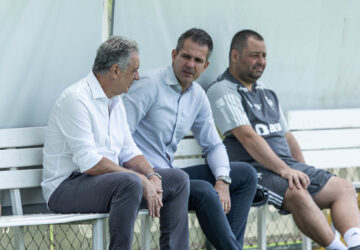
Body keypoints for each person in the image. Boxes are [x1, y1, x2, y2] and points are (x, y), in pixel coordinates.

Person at [206, 29, 360, 250]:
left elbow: (287, 136)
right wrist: (284, 170)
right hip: (253, 171)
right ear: (234, 56)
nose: (261, 61)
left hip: (285, 169)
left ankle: (355, 245)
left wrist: (303, 170)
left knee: (343, 187)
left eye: (264, 55)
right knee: (298, 192)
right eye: (254, 55)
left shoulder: (266, 91)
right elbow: (248, 138)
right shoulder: (222, 90)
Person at [41, 36, 190, 250]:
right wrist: (139, 178)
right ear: (115, 71)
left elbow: (129, 150)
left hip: (109, 185)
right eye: (134, 70)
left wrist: (152, 175)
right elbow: (89, 163)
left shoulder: (116, 100)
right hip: (66, 187)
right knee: (129, 182)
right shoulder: (75, 99)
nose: (138, 77)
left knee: (178, 179)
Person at [122, 28, 258, 250]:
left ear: (205, 66)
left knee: (245, 174)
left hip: (172, 176)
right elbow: (121, 135)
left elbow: (213, 144)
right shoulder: (149, 84)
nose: (190, 65)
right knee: (204, 191)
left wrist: (223, 180)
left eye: (198, 60)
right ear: (174, 55)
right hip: (143, 178)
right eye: (186, 56)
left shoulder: (198, 96)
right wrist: (146, 173)